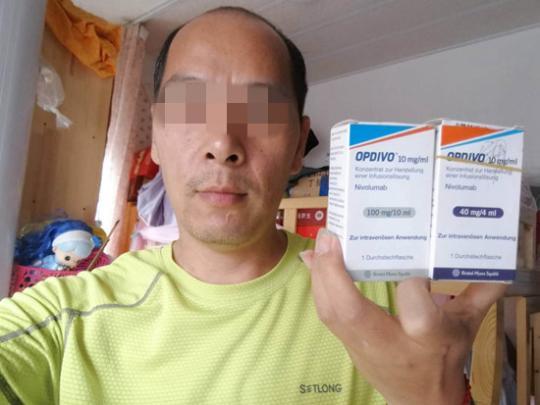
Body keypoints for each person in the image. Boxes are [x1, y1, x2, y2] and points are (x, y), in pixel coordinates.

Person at [0, 6, 504, 404]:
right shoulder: (66, 314)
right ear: (156, 138)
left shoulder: (383, 306)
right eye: (190, 106)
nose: (223, 143)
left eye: (259, 110)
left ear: (297, 146)